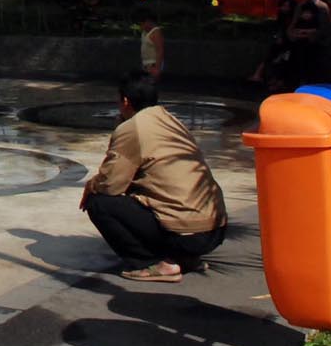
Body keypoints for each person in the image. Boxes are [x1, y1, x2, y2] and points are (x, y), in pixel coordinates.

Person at [80, 71, 227, 281]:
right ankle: (183, 258)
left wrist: (91, 185)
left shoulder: (133, 128)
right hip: (215, 229)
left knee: (99, 202)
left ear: (125, 101)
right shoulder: (170, 119)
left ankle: (152, 263)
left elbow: (111, 184)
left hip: (188, 235)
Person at [247, 0, 298, 89]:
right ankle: (261, 76)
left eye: (287, 6)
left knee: (282, 61)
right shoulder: (282, 16)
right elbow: (280, 29)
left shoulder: (293, 18)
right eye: (283, 6)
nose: (285, 8)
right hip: (281, 42)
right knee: (271, 57)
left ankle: (277, 81)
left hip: (290, 44)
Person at [287, 0, 331, 82]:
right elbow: (294, 23)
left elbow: (324, 28)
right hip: (300, 38)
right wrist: (291, 33)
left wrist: (309, 33)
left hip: (316, 42)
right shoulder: (300, 6)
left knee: (309, 54)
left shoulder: (322, 7)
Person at [138, 6, 164, 79]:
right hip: (146, 65)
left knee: (150, 87)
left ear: (148, 21)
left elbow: (160, 50)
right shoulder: (144, 32)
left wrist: (157, 68)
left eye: (142, 23)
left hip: (153, 65)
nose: (141, 26)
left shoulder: (156, 32)